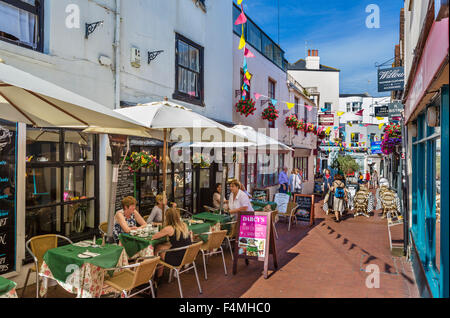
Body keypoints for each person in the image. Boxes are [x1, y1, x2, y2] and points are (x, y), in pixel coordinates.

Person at [151, 208, 192, 282]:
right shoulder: (184, 225)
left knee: (157, 248)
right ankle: (159, 275)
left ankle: (156, 276)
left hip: (177, 259)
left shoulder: (169, 228)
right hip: (186, 256)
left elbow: (153, 237)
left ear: (168, 218)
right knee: (162, 246)